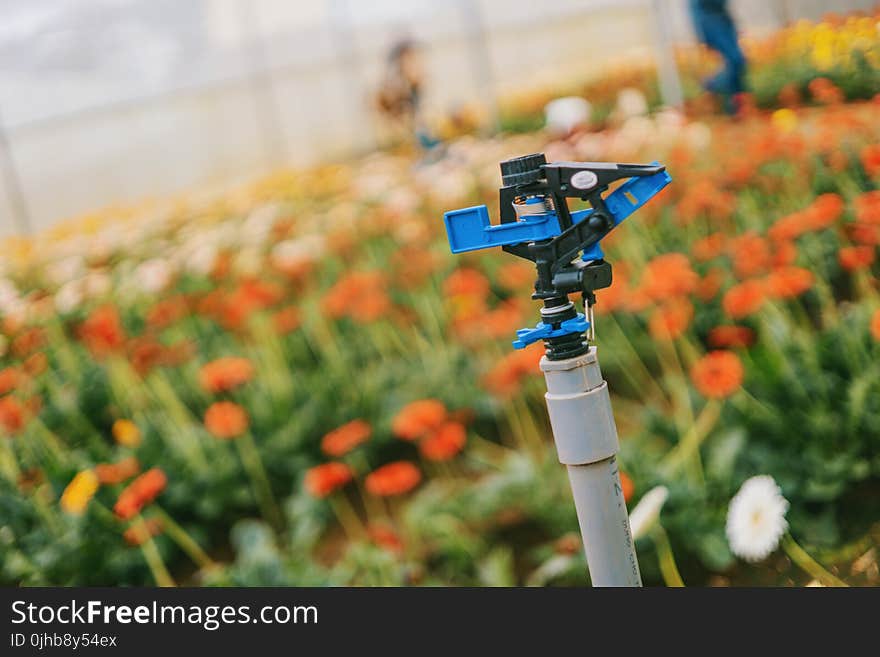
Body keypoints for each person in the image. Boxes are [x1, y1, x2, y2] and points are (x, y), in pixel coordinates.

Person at [375, 38, 439, 150]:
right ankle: (423, 143)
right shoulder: (401, 66)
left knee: (417, 117)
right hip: (408, 92)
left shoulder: (404, 64)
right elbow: (412, 76)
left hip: (411, 91)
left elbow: (416, 77)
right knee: (416, 119)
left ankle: (424, 143)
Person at [689, 0, 747, 114]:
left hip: (724, 22)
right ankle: (711, 85)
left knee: (736, 63)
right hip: (711, 24)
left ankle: (735, 108)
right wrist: (702, 36)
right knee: (736, 60)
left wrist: (733, 25)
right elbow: (695, 9)